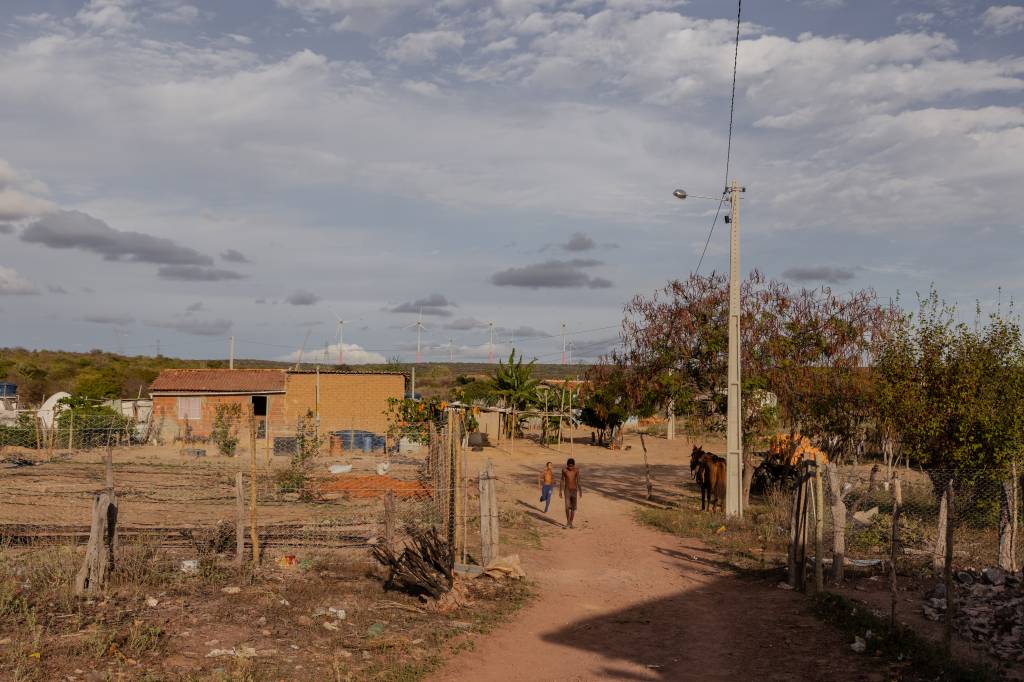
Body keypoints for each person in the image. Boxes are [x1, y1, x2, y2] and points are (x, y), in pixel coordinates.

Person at [558, 458, 582, 529]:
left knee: (573, 508)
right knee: (567, 507)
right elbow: (562, 480)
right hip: (567, 490)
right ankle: (568, 522)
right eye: (569, 466)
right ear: (567, 465)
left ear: (574, 465)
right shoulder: (564, 470)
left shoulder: (577, 470)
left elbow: (578, 481)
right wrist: (560, 491)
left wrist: (580, 491)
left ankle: (571, 523)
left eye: (572, 466)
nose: (570, 467)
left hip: (574, 490)